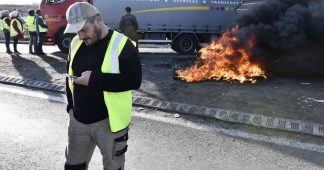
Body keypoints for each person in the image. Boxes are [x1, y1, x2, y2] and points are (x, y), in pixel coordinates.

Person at [64, 2, 141, 170]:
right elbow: (69, 75)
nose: (81, 35)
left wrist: (95, 79)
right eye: (77, 31)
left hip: (109, 124)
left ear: (97, 20)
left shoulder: (123, 44)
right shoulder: (76, 42)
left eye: (84, 29)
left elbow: (134, 81)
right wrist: (70, 107)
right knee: (72, 167)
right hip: (78, 121)